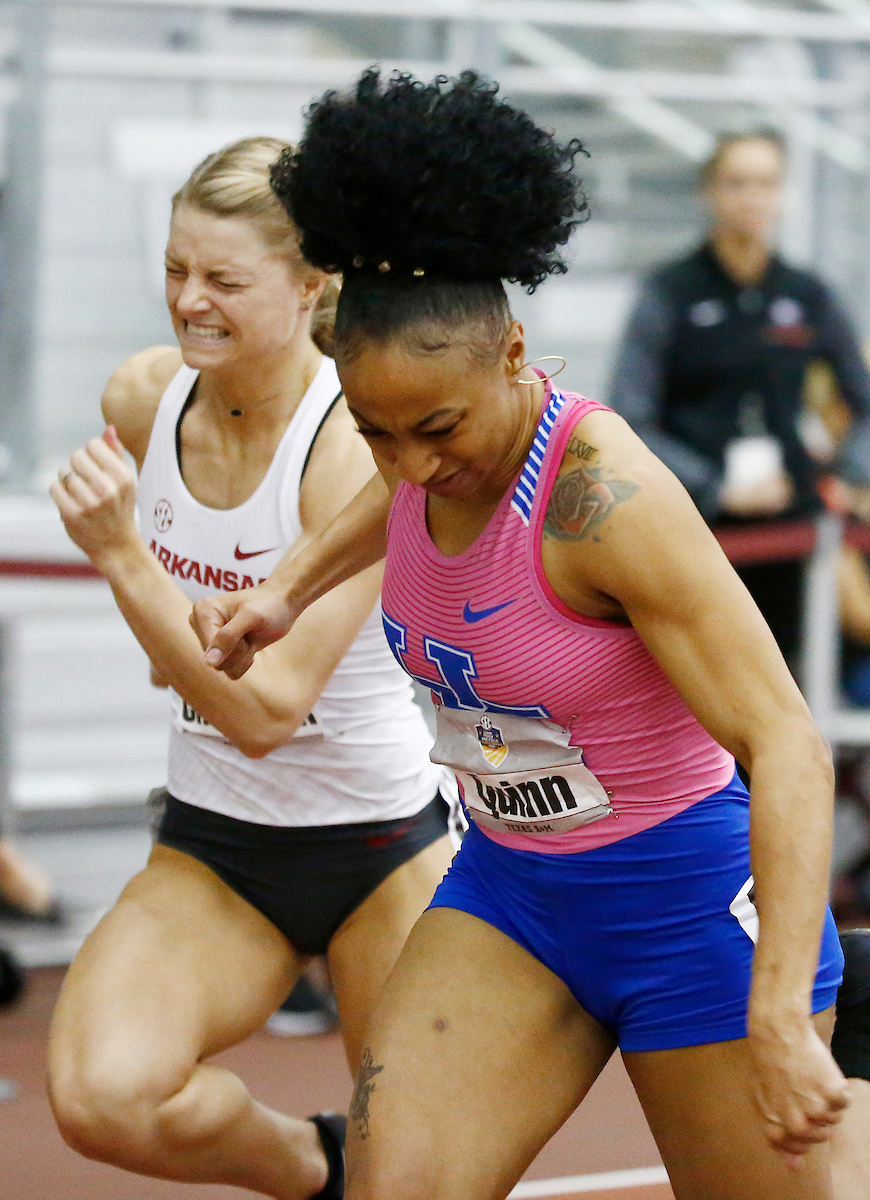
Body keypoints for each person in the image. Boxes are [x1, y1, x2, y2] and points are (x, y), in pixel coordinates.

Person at [188, 71, 870, 1200]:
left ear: (514, 356)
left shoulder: (606, 504)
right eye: (375, 430)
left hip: (687, 909)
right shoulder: (418, 445)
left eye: (439, 428)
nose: (410, 464)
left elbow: (785, 741)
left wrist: (779, 1011)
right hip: (513, 895)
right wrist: (287, 589)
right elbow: (403, 489)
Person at [45, 136, 453, 1200]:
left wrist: (127, 561)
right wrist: (175, 642)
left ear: (314, 282)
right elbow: (188, 650)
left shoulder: (352, 446)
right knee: (102, 1097)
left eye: (224, 279)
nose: (190, 301)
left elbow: (268, 711)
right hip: (218, 844)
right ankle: (309, 1163)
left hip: (380, 844)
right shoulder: (144, 398)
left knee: (412, 1177)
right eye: (176, 269)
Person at [608, 129, 870, 665]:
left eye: (766, 183)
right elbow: (630, 418)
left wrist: (847, 473)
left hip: (790, 526)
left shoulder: (807, 293)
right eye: (737, 182)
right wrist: (716, 487)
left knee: (787, 672)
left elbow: (862, 401)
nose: (752, 197)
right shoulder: (669, 292)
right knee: (701, 679)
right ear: (709, 192)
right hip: (691, 522)